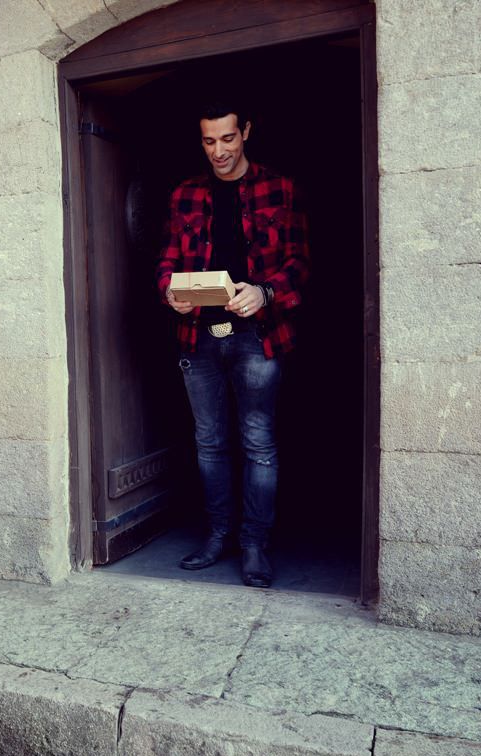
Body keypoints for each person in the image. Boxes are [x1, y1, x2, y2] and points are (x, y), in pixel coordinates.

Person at [157, 101, 309, 588]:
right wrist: (170, 293)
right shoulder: (185, 194)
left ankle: (254, 545)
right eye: (208, 141)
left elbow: (300, 264)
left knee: (258, 442)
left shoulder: (280, 188)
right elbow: (167, 262)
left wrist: (265, 293)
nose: (218, 151)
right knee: (209, 443)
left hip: (256, 338)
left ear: (245, 131)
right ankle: (218, 535)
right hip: (198, 337)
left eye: (227, 138)